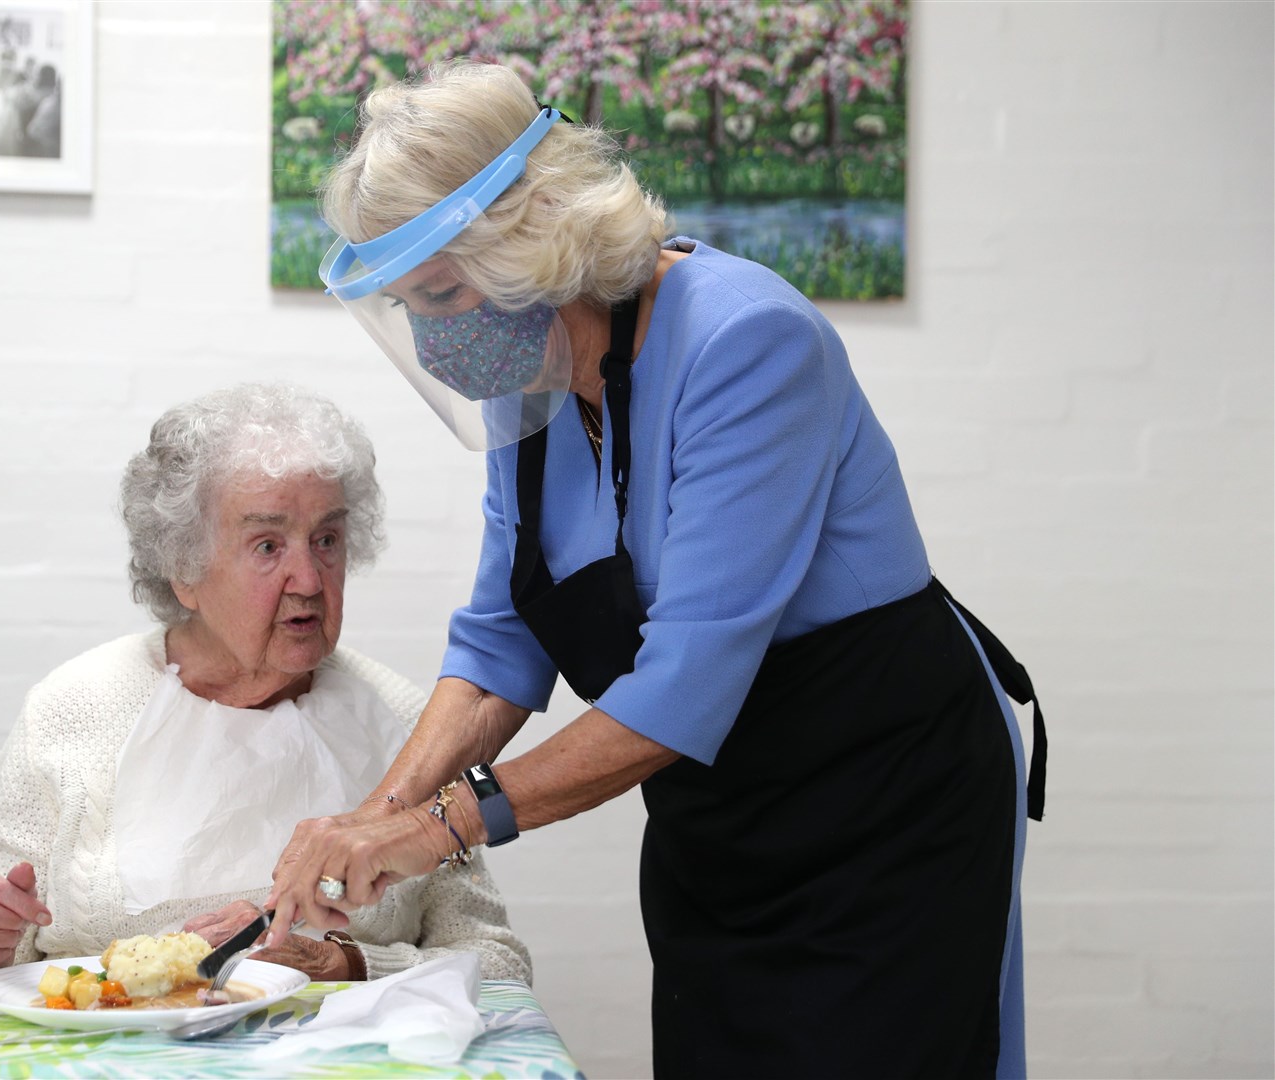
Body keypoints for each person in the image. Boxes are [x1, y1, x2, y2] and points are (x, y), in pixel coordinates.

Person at [263, 60, 1046, 1079]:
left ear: (530, 245)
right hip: (720, 817)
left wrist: (436, 831)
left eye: (445, 290)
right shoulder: (528, 370)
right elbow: (504, 640)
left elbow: (683, 689)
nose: (436, 335)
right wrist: (372, 819)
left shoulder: (747, 341)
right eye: (412, 306)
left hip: (884, 805)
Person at [0, 383, 531, 987]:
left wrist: (345, 964)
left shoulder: (406, 721)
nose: (310, 580)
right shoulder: (71, 710)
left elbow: (498, 964)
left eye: (328, 540)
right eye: (267, 545)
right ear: (183, 567)